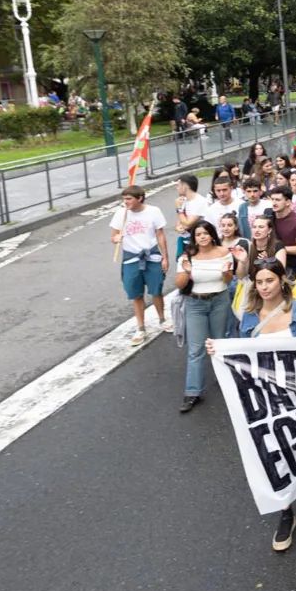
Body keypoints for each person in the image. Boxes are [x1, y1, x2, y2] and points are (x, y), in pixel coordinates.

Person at [206, 259, 296, 552]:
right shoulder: (250, 317)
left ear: (282, 280)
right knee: (274, 451)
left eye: (270, 280)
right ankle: (285, 512)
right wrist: (219, 350)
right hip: (266, 397)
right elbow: (241, 354)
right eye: (260, 282)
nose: (265, 287)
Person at [175, 220, 234, 413]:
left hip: (219, 300)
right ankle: (192, 391)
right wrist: (188, 272)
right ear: (194, 237)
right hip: (195, 303)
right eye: (198, 234)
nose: (202, 237)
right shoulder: (187, 257)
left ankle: (225, 381)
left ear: (211, 235)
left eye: (205, 233)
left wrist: (226, 273)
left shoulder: (224, 253)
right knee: (196, 348)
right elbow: (179, 284)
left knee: (220, 343)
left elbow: (228, 279)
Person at [110, 185, 171, 345]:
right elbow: (114, 236)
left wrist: (165, 257)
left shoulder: (153, 211)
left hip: (152, 255)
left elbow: (160, 234)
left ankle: (162, 318)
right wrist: (117, 239)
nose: (125, 202)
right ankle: (141, 327)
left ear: (140, 198)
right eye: (124, 199)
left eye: (129, 199)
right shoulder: (121, 214)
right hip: (131, 257)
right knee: (135, 293)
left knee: (156, 290)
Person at [267, 185, 296, 274]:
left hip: (291, 267)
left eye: (278, 200)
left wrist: (276, 249)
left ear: (288, 202)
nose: (274, 203)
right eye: (272, 199)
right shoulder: (269, 216)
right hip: (270, 263)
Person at [173, 174, 209, 258]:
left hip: (197, 242)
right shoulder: (183, 200)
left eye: (178, 185)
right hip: (184, 240)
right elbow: (180, 222)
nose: (176, 188)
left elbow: (188, 223)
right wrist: (178, 227)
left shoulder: (200, 201)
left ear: (185, 186)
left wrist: (178, 209)